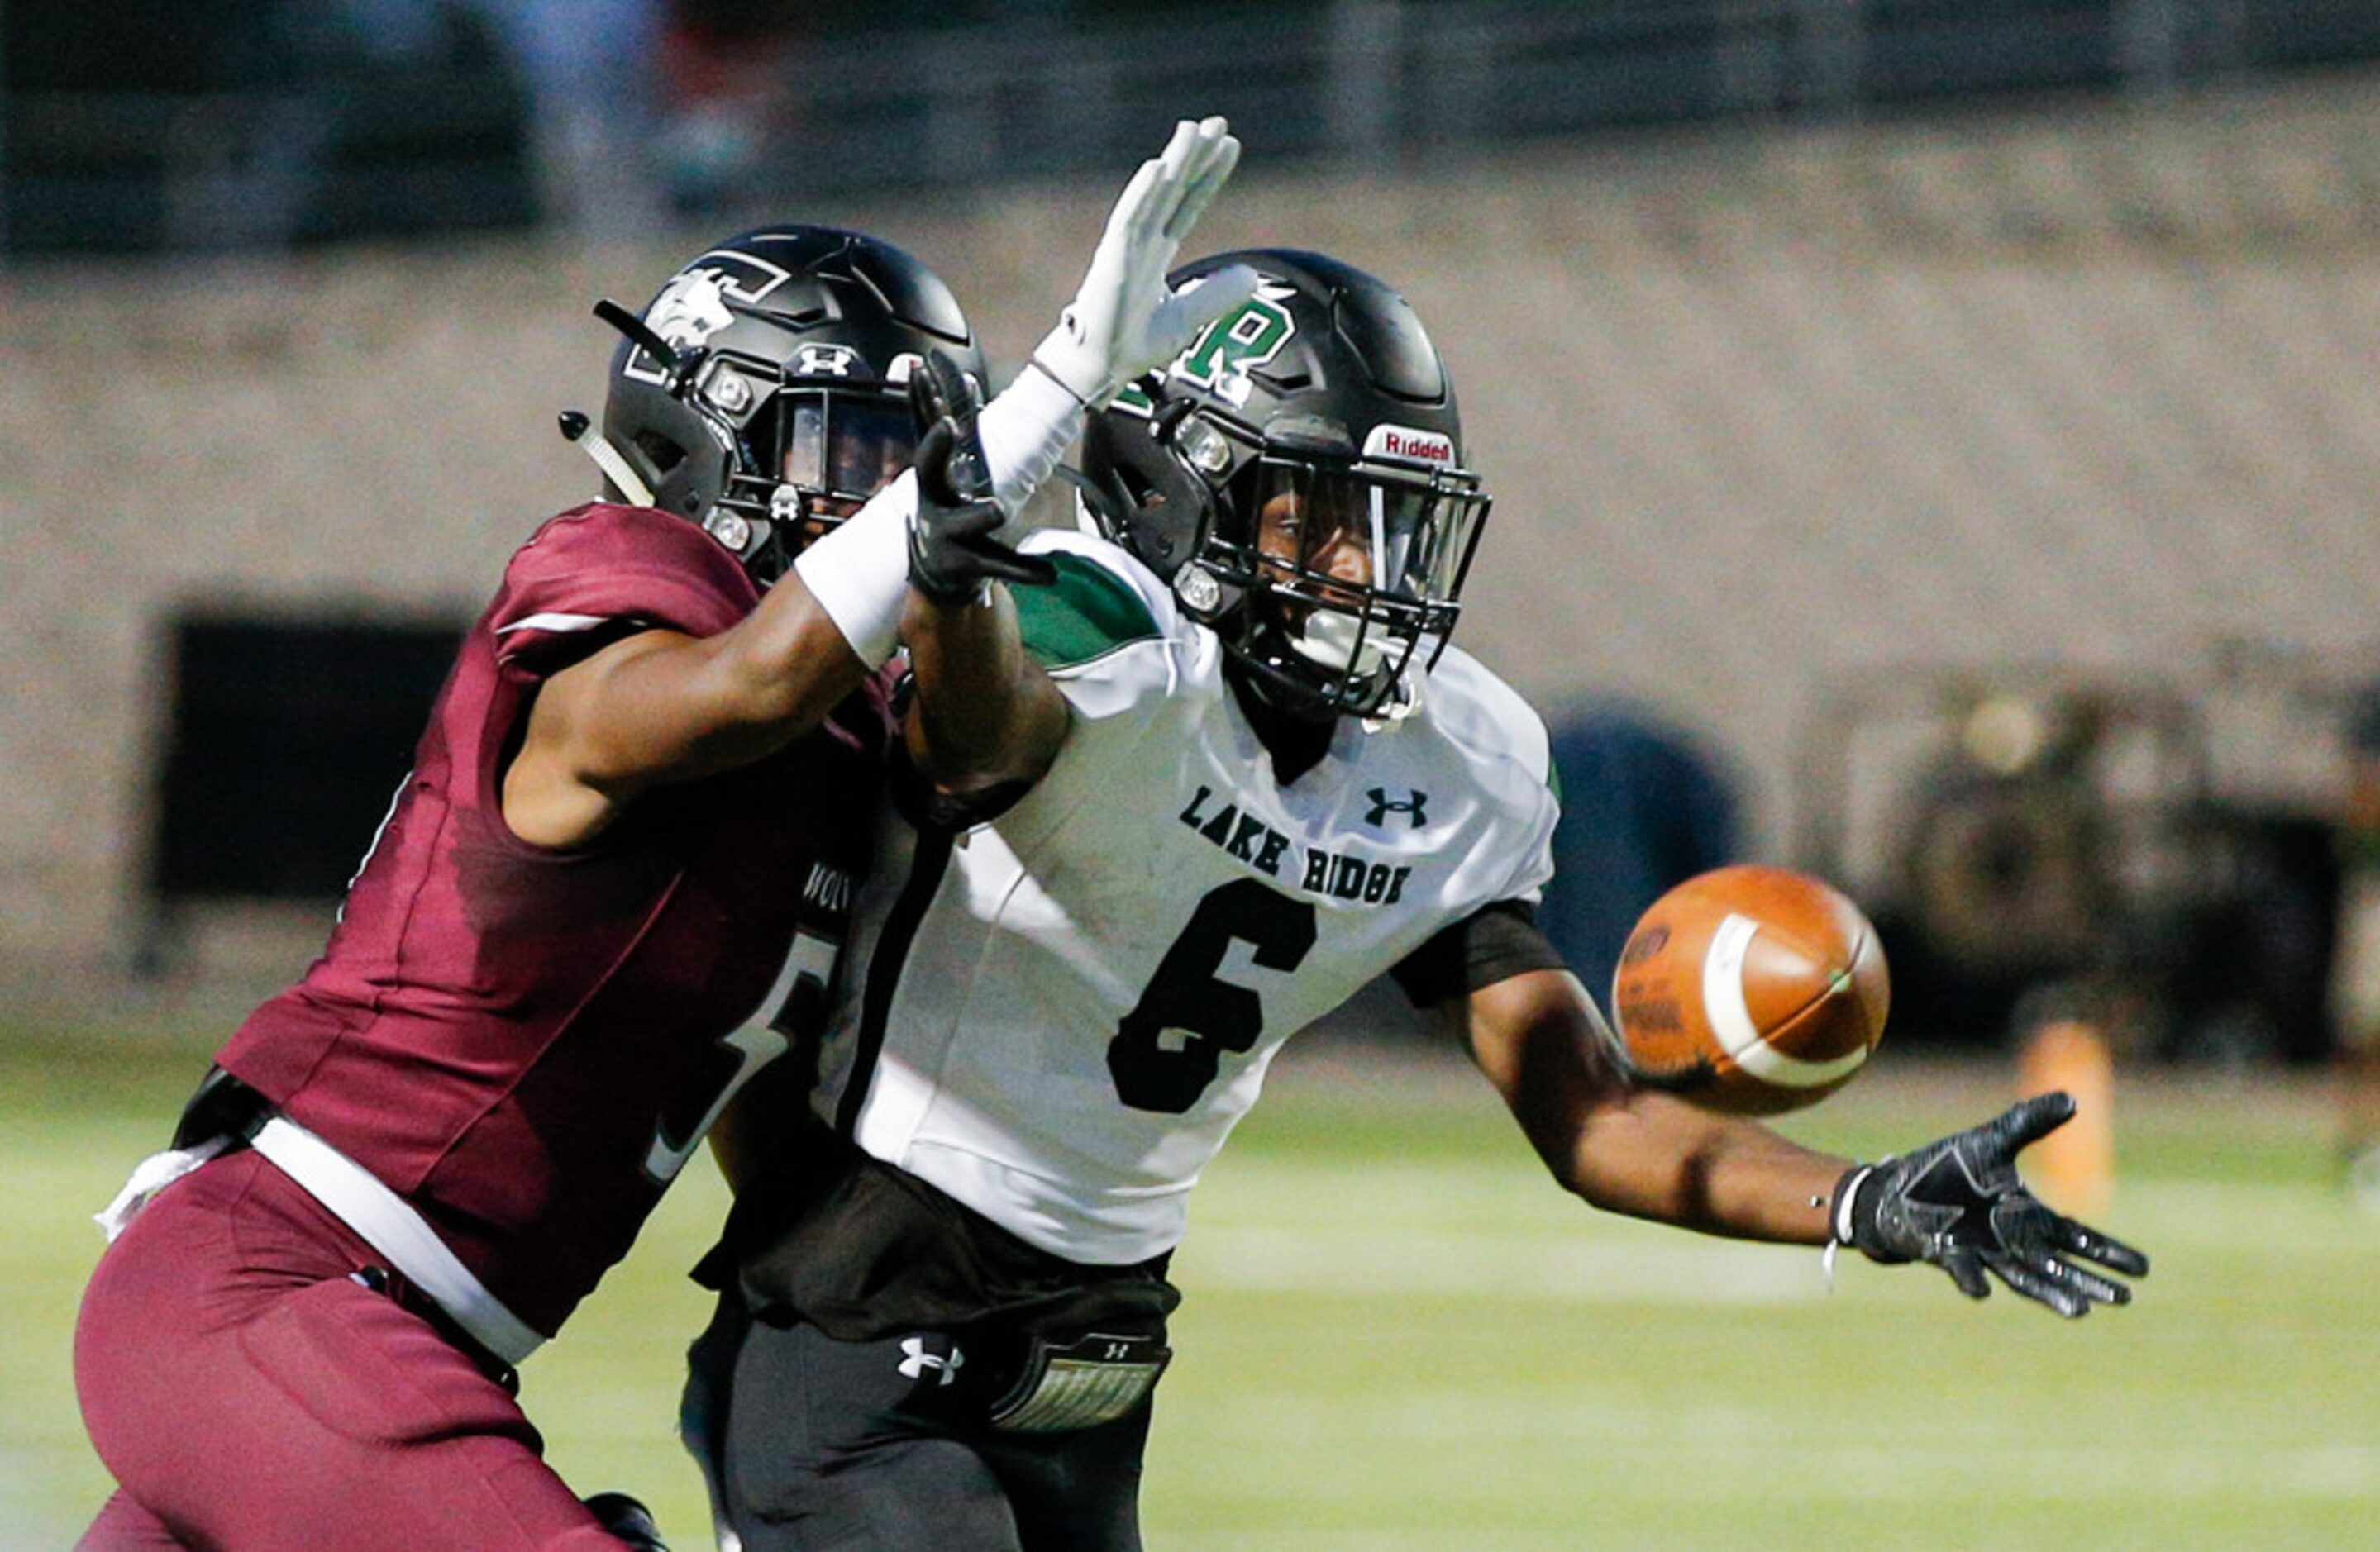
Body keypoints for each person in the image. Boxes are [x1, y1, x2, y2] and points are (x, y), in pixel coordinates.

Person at [688, 249, 2153, 1550]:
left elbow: (1589, 1116)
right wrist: (951, 598)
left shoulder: (1460, 759)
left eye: (1391, 520)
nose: (1366, 567)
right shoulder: (1098, 623)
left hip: (1096, 1339)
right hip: (868, 1302)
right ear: (1179, 487)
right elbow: (978, 735)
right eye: (1317, 513)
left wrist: (1863, 1199)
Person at [70, 117, 1254, 1551]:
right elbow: (744, 684)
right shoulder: (616, 592)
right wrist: (1058, 388)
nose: (888, 499)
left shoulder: (829, 750)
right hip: (278, 1279)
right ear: (709, 435)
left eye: (913, 461)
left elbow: (758, 1095)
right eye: (857, 453)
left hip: (384, 1340)